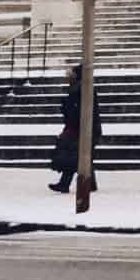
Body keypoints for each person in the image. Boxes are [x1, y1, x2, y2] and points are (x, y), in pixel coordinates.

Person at [48, 65, 101, 195]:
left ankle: (65, 184)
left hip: (82, 128)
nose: (67, 79)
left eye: (70, 77)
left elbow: (75, 111)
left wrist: (65, 106)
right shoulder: (81, 88)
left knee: (75, 156)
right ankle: (89, 184)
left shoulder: (80, 89)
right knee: (82, 157)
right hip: (85, 127)